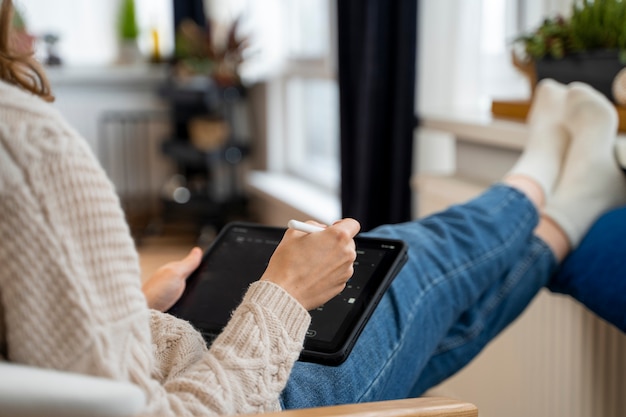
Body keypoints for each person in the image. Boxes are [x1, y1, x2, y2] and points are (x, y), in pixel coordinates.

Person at [0, 0, 625, 414]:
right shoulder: (24, 140)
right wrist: (286, 295)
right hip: (249, 395)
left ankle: (563, 213)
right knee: (417, 254)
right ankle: (537, 180)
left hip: (189, 364)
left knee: (444, 323)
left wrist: (125, 315)